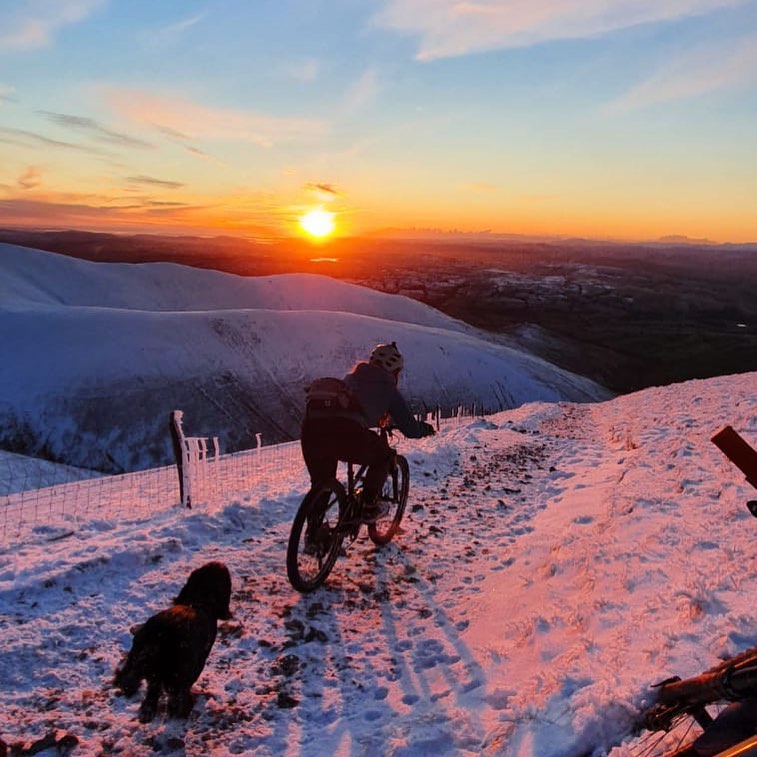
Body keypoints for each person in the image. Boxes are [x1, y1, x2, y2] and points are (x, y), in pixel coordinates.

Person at [301, 341, 435, 519]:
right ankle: (369, 505)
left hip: (311, 431)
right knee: (384, 456)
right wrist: (425, 429)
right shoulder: (388, 389)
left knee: (322, 484)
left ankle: (314, 539)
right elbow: (410, 428)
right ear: (395, 370)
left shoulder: (350, 378)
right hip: (347, 434)